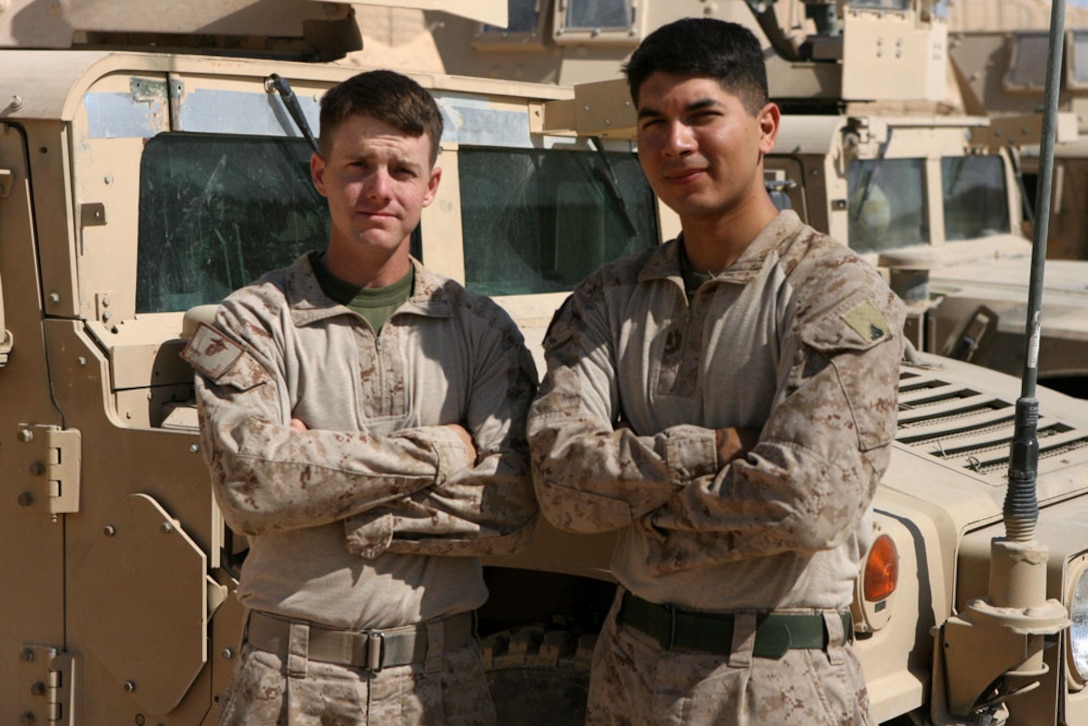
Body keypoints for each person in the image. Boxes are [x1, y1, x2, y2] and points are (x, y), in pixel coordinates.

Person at [527, 18, 905, 726]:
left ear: (765, 126)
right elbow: (559, 485)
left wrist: (639, 513)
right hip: (627, 676)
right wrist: (721, 446)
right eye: (653, 122)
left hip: (773, 686)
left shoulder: (836, 291)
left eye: (702, 114)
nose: (676, 143)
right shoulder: (609, 298)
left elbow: (807, 498)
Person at [182, 69, 538, 725]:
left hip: (441, 683)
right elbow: (253, 487)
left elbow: (513, 503)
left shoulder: (482, 332)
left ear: (431, 185)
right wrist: (447, 445)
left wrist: (322, 478)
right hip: (289, 682)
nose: (379, 189)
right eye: (357, 165)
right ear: (320, 173)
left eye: (401, 169)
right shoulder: (251, 324)